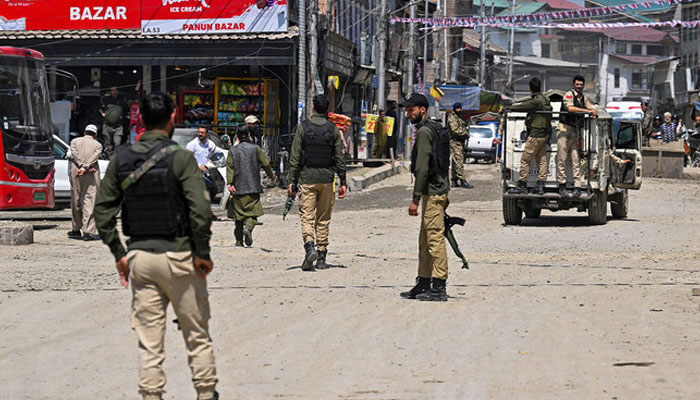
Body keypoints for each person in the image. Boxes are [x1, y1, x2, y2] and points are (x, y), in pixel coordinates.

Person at [94, 92, 219, 400]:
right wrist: (202, 254)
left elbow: (102, 212)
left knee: (150, 343)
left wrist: (120, 254)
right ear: (172, 120)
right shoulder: (181, 158)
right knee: (197, 336)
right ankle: (205, 394)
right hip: (180, 258)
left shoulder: (121, 158)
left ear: (141, 121)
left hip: (140, 259)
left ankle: (151, 396)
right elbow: (201, 212)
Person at [287, 94, 347, 271]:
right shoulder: (332, 129)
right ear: (327, 109)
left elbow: (295, 156)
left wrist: (292, 181)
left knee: (307, 216)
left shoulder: (303, 128)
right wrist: (343, 180)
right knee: (323, 218)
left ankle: (309, 247)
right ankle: (321, 257)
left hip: (307, 178)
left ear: (313, 108)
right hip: (327, 179)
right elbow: (339, 157)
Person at [400, 93, 450, 302]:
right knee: (425, 240)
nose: (408, 114)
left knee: (434, 239)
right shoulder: (434, 128)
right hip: (437, 191)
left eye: (411, 110)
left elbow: (421, 168)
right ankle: (423, 282)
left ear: (422, 110)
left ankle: (439, 286)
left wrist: (415, 199)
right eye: (406, 110)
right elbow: (443, 163)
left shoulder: (424, 132)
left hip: (432, 192)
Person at [226, 126, 275, 247]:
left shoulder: (233, 150)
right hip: (253, 186)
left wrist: (230, 183)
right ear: (248, 135)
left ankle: (238, 240)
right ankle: (248, 228)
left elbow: (230, 167)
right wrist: (271, 176)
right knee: (252, 213)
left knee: (238, 215)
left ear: (236, 136)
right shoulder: (256, 149)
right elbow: (266, 163)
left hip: (238, 186)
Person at [506, 78, 553, 195]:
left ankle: (522, 184)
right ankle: (540, 185)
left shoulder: (536, 101)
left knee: (525, 160)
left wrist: (510, 107)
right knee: (541, 160)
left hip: (535, 135)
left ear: (530, 89)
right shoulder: (546, 99)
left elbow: (523, 106)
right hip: (544, 134)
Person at [556, 75, 597, 198]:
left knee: (576, 159)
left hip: (574, 131)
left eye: (581, 84)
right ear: (573, 85)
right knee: (562, 159)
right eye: (577, 84)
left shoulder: (583, 98)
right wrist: (588, 111)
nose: (579, 86)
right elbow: (570, 108)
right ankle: (562, 185)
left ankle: (577, 186)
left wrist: (593, 110)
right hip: (564, 129)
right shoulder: (569, 95)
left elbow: (591, 107)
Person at [67, 124, 103, 241]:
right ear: (95, 134)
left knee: (76, 200)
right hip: (91, 173)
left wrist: (81, 166)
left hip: (76, 172)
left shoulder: (74, 142)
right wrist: (87, 166)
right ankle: (87, 232)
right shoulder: (98, 145)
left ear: (84, 132)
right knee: (89, 201)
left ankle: (76, 230)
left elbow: (75, 155)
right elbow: (94, 157)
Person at [186, 126, 226, 202]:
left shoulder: (209, 143)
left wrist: (230, 152)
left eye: (202, 133)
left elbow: (218, 150)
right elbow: (187, 159)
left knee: (214, 189)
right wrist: (198, 167)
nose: (200, 134)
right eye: (199, 132)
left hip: (206, 174)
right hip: (195, 174)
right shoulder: (192, 144)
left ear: (206, 134)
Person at [446, 102, 473, 189]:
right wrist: (465, 133)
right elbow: (455, 130)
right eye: (457, 108)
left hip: (459, 142)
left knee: (455, 161)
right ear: (454, 109)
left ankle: (454, 180)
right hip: (455, 141)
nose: (459, 110)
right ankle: (462, 180)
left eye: (460, 108)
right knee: (459, 160)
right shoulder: (452, 117)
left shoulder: (458, 117)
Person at [100, 86, 128, 156]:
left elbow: (127, 110)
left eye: (115, 90)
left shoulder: (122, 100)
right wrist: (102, 113)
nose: (114, 92)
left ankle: (115, 160)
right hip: (107, 125)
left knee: (117, 144)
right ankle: (109, 159)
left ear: (118, 91)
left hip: (118, 127)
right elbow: (98, 106)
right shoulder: (106, 99)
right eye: (112, 90)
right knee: (108, 145)